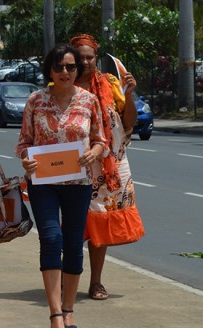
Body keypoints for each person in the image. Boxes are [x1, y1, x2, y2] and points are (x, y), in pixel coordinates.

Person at [15, 44, 107, 328]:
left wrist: (94, 152)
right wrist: (27, 161)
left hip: (79, 182)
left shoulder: (89, 100)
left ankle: (69, 310)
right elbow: (23, 144)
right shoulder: (36, 100)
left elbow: (101, 141)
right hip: (44, 183)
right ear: (49, 70)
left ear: (77, 70)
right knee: (52, 239)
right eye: (59, 67)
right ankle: (55, 313)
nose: (65, 72)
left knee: (73, 244)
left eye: (70, 67)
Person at [69, 34, 145, 302]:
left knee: (100, 228)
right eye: (80, 57)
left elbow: (127, 123)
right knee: (73, 227)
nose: (86, 61)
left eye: (90, 57)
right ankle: (66, 283)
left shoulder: (111, 84)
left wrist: (130, 94)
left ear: (96, 57)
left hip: (110, 167)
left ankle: (96, 283)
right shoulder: (64, 86)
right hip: (75, 167)